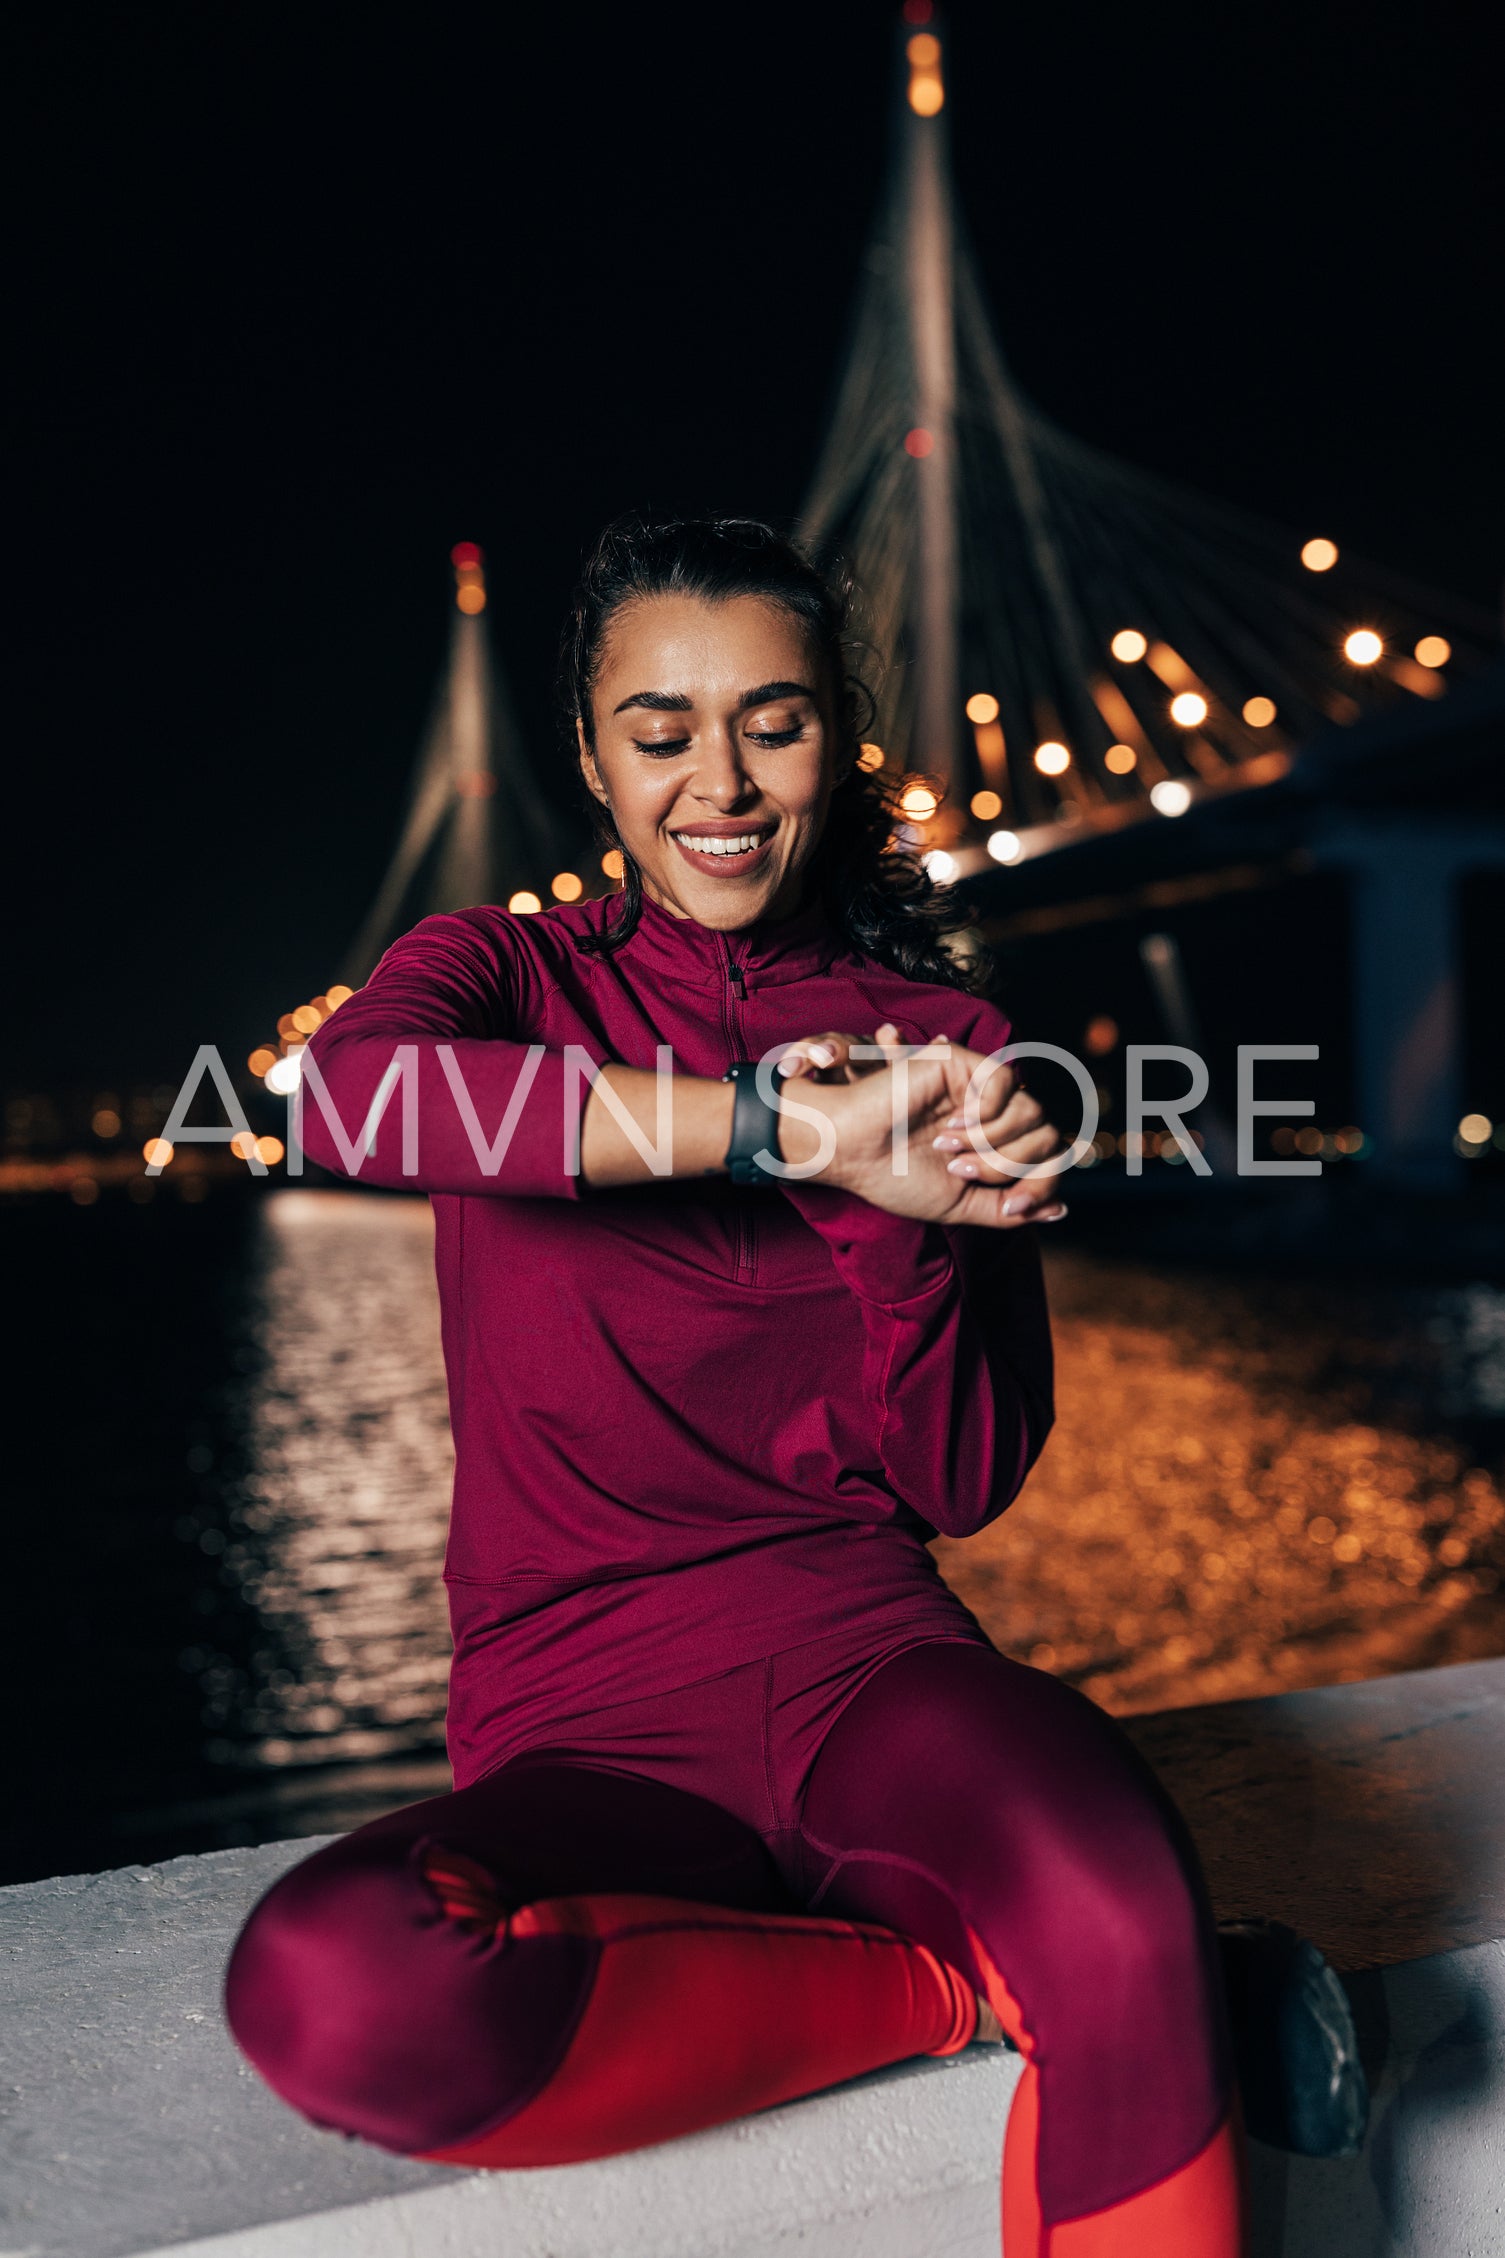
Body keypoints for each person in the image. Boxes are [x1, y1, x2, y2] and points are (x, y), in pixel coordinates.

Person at [225, 517, 1245, 2254]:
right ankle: (945, 1989)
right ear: (590, 756)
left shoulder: (942, 1037)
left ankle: (1041, 1966)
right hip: (581, 1718)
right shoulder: (506, 978)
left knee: (1122, 1902)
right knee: (338, 1985)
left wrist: (895, 1209)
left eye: (772, 722)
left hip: (871, 1671)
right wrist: (780, 1125)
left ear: (833, 742)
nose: (722, 779)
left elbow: (964, 1474)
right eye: (662, 727)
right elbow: (349, 1103)